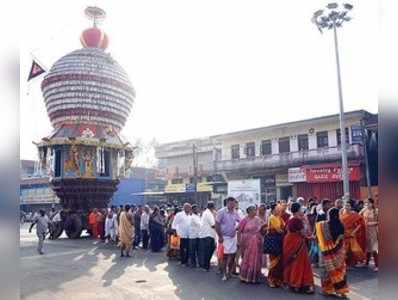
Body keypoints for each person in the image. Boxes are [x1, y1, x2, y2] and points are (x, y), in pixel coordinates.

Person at [316, 208, 348, 298]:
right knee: (340, 271)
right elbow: (342, 238)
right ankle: (342, 291)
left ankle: (327, 290)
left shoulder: (323, 225)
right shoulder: (341, 225)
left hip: (327, 253)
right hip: (339, 253)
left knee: (327, 271)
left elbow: (318, 234)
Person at [283, 203, 314, 293]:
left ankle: (291, 282)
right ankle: (298, 283)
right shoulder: (297, 220)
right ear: (297, 210)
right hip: (297, 242)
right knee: (300, 263)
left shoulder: (290, 218)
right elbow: (303, 233)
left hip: (288, 241)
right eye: (301, 209)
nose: (302, 211)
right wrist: (310, 237)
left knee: (291, 262)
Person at [215, 197, 241, 281]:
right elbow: (217, 224)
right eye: (231, 203)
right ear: (227, 203)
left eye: (234, 203)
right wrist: (220, 236)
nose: (233, 205)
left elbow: (240, 221)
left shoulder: (235, 212)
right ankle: (224, 274)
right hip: (224, 237)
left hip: (233, 237)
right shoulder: (221, 212)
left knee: (233, 256)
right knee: (224, 257)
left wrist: (237, 227)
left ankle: (230, 272)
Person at [237, 205, 264, 283]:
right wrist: (239, 242)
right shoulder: (244, 220)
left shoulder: (258, 219)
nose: (255, 212)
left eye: (255, 210)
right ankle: (245, 276)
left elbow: (263, 229)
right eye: (253, 210)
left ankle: (255, 276)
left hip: (257, 241)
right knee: (247, 258)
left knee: (256, 259)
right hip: (246, 241)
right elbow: (239, 232)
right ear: (249, 212)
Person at [340, 202, 367, 267]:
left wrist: (354, 232)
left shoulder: (354, 214)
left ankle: (358, 261)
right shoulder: (341, 214)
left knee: (355, 249)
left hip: (352, 233)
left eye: (348, 206)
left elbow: (360, 224)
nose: (347, 207)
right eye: (346, 206)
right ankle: (346, 263)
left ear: (351, 207)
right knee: (345, 249)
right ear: (344, 207)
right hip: (344, 234)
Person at [266, 203, 285, 288]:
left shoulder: (279, 217)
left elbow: (284, 227)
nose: (279, 210)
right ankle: (271, 280)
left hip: (279, 241)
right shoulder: (272, 217)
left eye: (279, 209)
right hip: (274, 241)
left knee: (279, 262)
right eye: (278, 209)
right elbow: (279, 230)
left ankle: (278, 280)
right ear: (273, 210)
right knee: (274, 262)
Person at [360, 198, 378, 271]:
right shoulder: (365, 210)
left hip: (373, 231)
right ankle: (366, 263)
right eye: (365, 203)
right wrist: (363, 210)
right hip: (366, 231)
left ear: (372, 203)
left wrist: (370, 223)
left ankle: (377, 265)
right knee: (367, 248)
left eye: (368, 203)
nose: (367, 204)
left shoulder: (376, 211)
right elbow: (359, 216)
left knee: (374, 248)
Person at [199, 201, 216, 271]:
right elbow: (213, 225)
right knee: (208, 250)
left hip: (206, 235)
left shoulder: (206, 212)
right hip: (208, 235)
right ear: (212, 207)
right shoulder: (208, 213)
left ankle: (206, 265)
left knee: (208, 250)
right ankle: (206, 266)